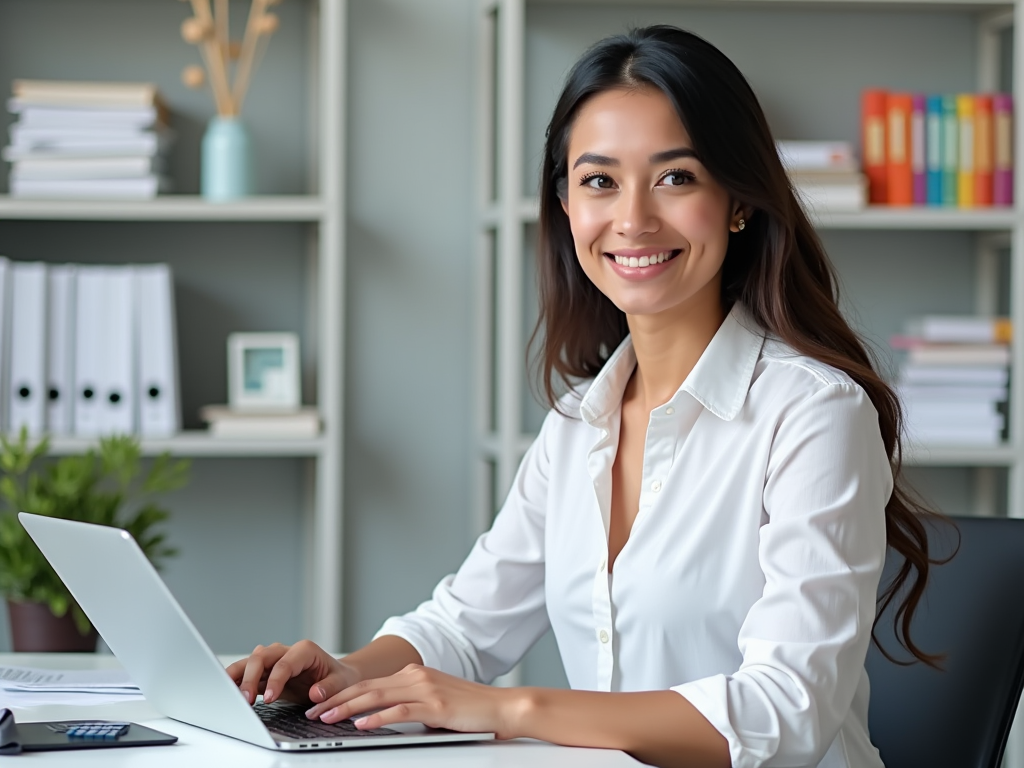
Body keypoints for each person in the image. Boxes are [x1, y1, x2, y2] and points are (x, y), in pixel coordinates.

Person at [228, 25, 939, 768]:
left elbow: (784, 711)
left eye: (676, 177)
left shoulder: (815, 414)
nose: (633, 219)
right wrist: (347, 673)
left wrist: (511, 710)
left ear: (738, 201)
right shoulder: (579, 424)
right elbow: (465, 625)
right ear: (566, 207)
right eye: (600, 180)